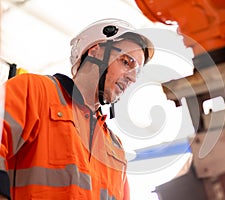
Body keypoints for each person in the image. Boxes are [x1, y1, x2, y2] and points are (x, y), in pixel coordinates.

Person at [0, 18, 154, 200]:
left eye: (137, 72)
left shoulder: (115, 150)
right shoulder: (34, 91)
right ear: (95, 51)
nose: (132, 78)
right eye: (127, 62)